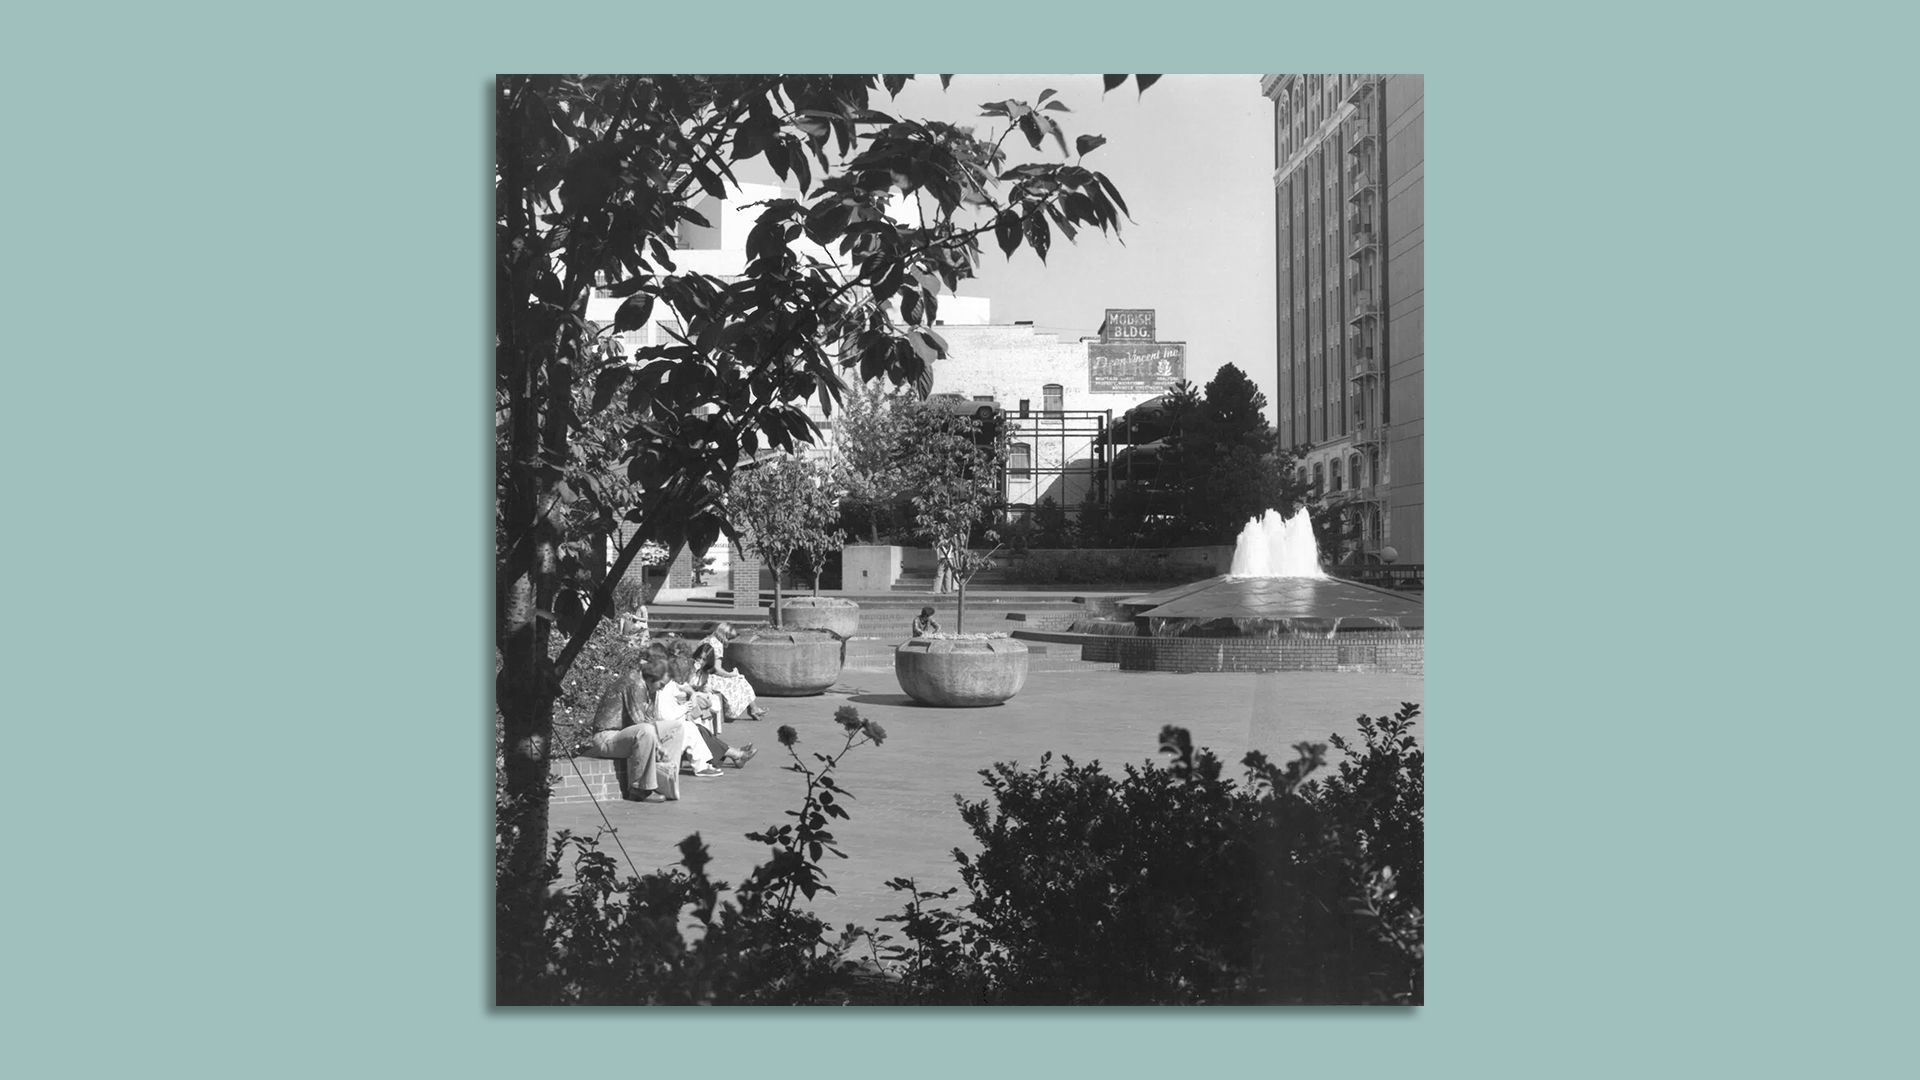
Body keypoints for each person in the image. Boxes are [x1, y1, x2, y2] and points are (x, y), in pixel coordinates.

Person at [577, 656, 687, 802]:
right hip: (607, 737)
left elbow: (651, 719)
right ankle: (640, 789)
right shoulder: (635, 683)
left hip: (628, 733)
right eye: (661, 684)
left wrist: (662, 750)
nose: (662, 688)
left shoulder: (649, 688)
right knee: (646, 731)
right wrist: (660, 748)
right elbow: (639, 721)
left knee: (675, 727)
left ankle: (666, 781)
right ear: (652, 677)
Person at [655, 656, 752, 775]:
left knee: (699, 729)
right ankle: (732, 755)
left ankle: (732, 755)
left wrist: (691, 698)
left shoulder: (669, 683)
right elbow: (664, 715)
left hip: (670, 723)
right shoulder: (664, 686)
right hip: (666, 727)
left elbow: (679, 691)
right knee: (693, 729)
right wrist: (684, 708)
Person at [699, 622, 767, 721]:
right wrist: (731, 674)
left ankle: (753, 708)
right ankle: (752, 709)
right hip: (708, 679)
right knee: (739, 679)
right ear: (725, 635)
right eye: (730, 638)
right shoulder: (717, 644)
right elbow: (717, 669)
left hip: (700, 675)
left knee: (738, 678)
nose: (729, 641)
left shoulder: (706, 639)